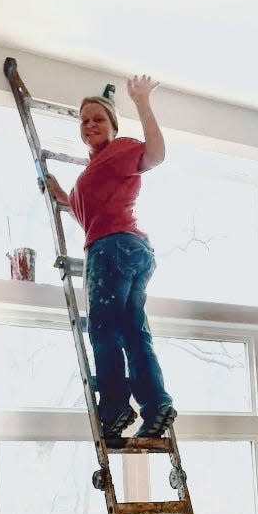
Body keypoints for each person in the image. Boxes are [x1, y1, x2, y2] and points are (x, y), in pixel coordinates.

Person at [45, 75, 176, 439]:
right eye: (84, 120)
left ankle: (116, 407)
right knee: (134, 332)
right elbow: (90, 215)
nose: (90, 124)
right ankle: (156, 405)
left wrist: (142, 102)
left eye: (98, 118)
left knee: (103, 329)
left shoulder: (120, 151)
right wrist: (62, 195)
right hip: (131, 249)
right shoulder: (93, 171)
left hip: (113, 250)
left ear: (113, 127)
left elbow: (156, 155)